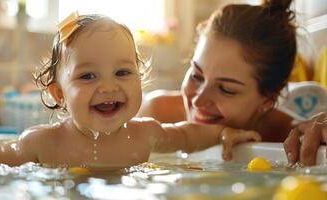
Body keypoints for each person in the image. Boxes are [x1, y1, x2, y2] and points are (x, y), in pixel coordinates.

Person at [0, 13, 260, 169]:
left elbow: (186, 135)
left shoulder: (145, 134)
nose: (108, 87)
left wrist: (222, 134)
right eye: (88, 76)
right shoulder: (42, 142)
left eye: (122, 72)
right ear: (59, 94)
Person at [138, 0, 327, 166]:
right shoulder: (156, 114)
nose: (198, 101)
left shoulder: (289, 140)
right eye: (197, 75)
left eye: (226, 89)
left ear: (269, 99)